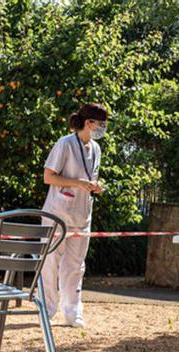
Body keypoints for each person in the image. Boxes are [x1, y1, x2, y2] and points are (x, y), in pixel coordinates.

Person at [40, 103, 108, 328]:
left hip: (81, 214)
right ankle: (47, 308)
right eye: (101, 124)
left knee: (76, 264)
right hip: (58, 211)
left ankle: (72, 311)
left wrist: (94, 186)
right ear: (89, 123)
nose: (103, 128)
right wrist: (76, 183)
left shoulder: (96, 149)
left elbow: (88, 178)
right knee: (51, 260)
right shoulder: (65, 144)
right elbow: (48, 177)